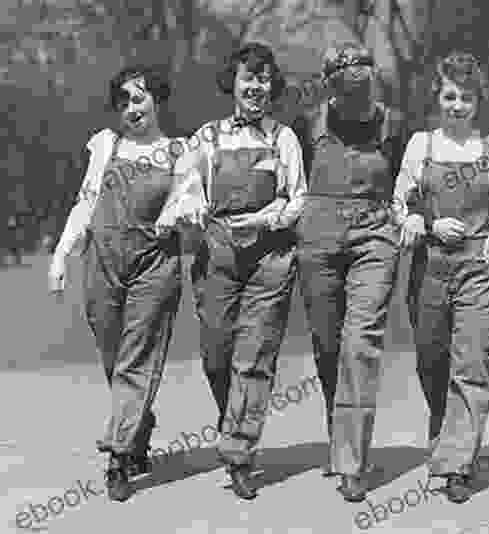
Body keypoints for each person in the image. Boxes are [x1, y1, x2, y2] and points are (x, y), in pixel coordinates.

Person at [47, 65, 199, 501]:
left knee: (137, 357)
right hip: (102, 261)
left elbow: (191, 195)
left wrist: (176, 210)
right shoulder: (106, 146)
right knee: (114, 355)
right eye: (124, 102)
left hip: (154, 263)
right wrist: (61, 254)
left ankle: (118, 455)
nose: (131, 109)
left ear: (157, 101)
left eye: (138, 98)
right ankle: (138, 423)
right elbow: (86, 202)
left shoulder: (179, 150)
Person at [175, 42, 306, 500]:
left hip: (270, 258)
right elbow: (187, 186)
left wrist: (267, 218)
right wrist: (191, 206)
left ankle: (240, 454)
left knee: (253, 359)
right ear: (232, 83)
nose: (257, 87)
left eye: (265, 79)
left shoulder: (283, 138)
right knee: (216, 355)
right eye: (249, 78)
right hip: (218, 258)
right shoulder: (206, 138)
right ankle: (236, 419)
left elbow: (298, 199)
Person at [394, 52, 489, 503]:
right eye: (449, 96)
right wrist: (423, 220)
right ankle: (444, 427)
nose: (456, 105)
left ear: (478, 101)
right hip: (430, 268)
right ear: (437, 97)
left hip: (479, 268)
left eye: (465, 97)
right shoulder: (421, 145)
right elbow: (400, 202)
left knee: (471, 363)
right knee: (432, 360)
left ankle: (458, 462)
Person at [295, 42, 404, 502]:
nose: (353, 98)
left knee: (360, 344)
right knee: (327, 345)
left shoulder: (392, 124)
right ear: (330, 88)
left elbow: (403, 180)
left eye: (362, 85)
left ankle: (352, 461)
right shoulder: (309, 123)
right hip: (318, 238)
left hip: (374, 237)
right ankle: (338, 434)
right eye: (343, 88)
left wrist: (404, 217)